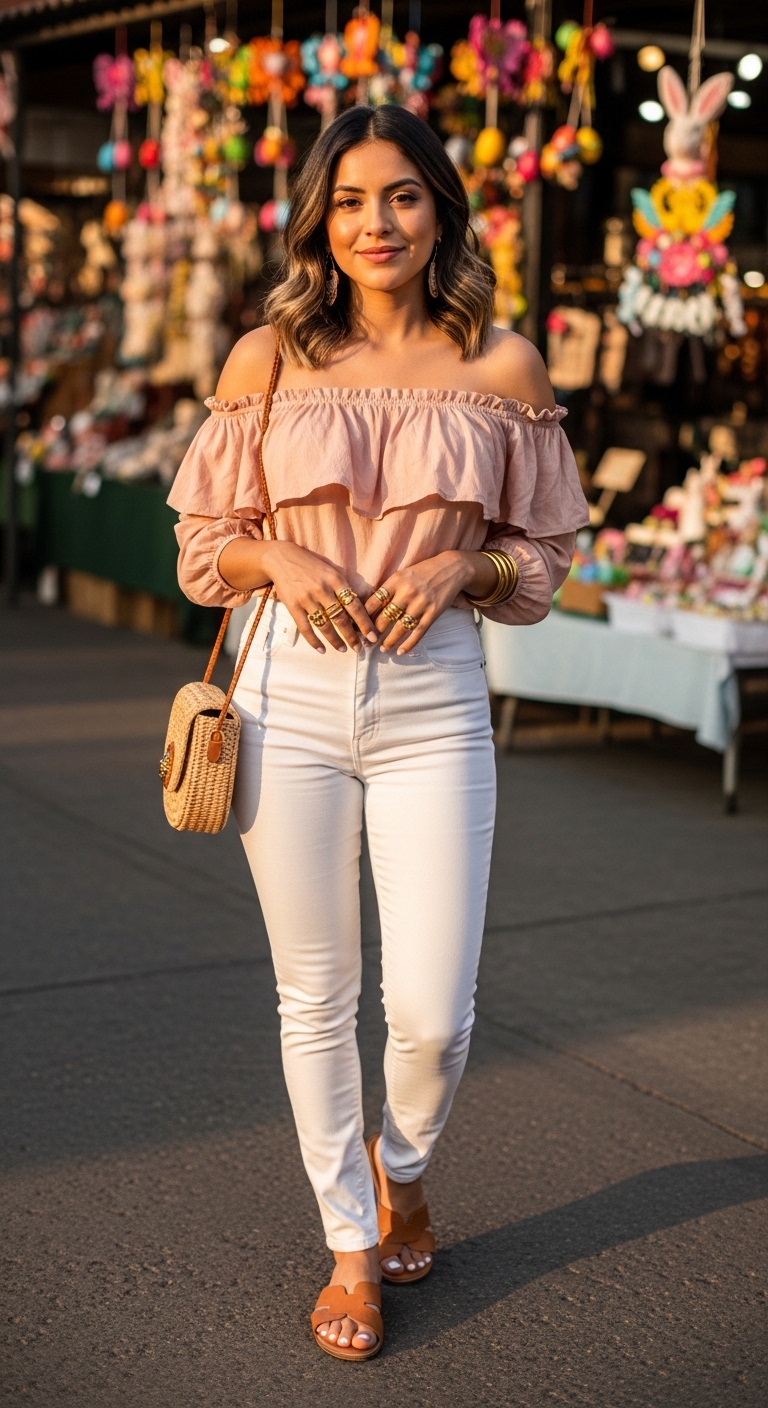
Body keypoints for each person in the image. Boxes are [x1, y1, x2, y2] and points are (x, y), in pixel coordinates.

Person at [168, 104, 587, 1361]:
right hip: (283, 693)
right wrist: (276, 557)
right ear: (319, 219)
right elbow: (200, 546)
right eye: (350, 200)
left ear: (442, 209)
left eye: (402, 196)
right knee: (317, 995)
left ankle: (401, 1165)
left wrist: (465, 568)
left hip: (434, 695)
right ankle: (352, 1237)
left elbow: (546, 554)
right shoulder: (268, 357)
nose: (376, 223)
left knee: (434, 1012)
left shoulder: (501, 367)